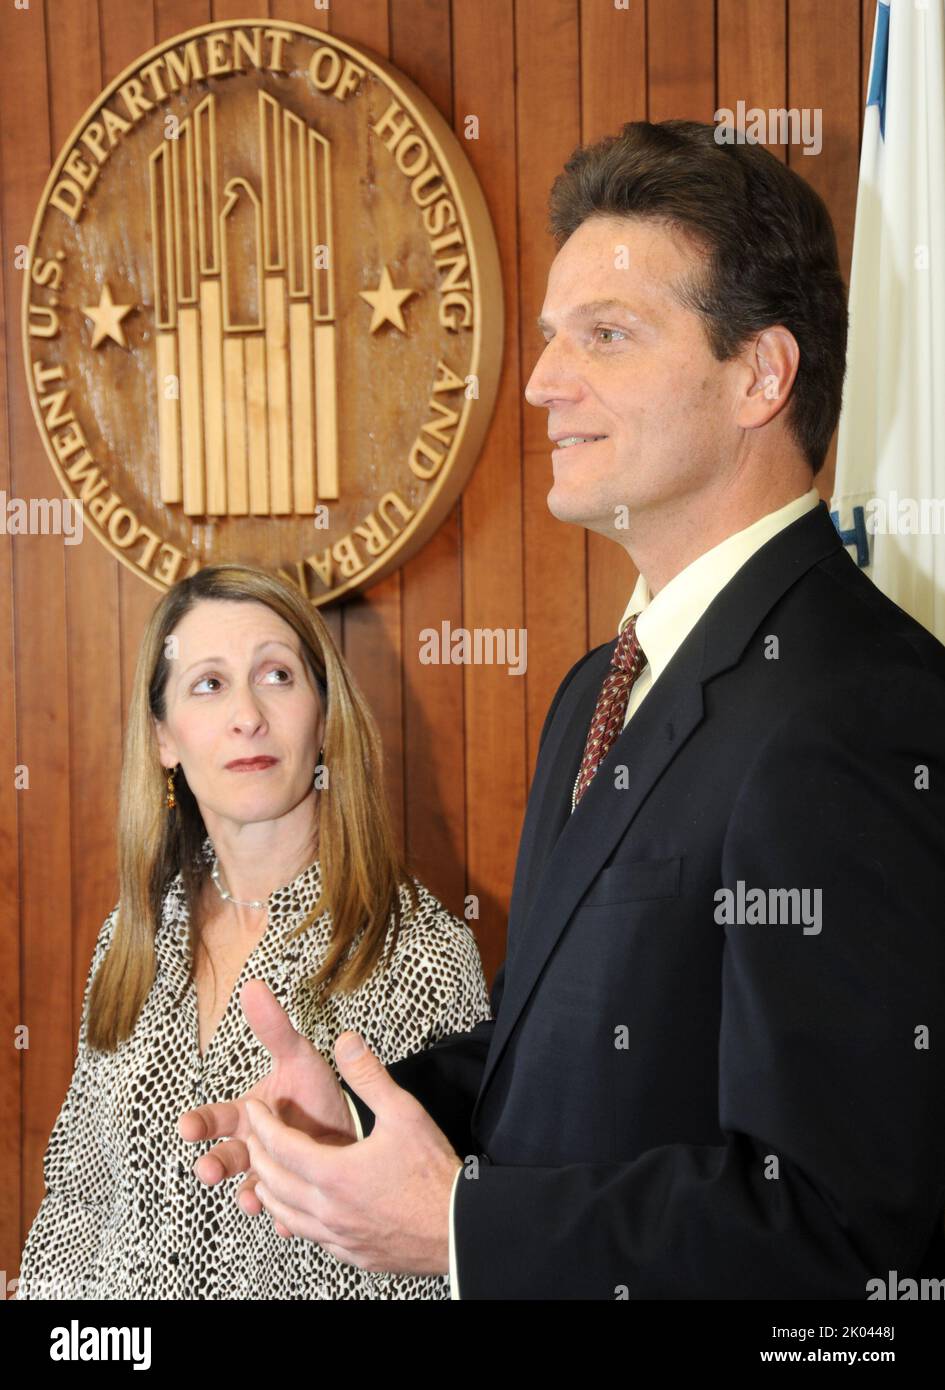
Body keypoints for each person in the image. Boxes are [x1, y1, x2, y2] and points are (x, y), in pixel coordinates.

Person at [182, 121, 945, 1299]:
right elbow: (566, 1057)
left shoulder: (862, 705)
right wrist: (367, 1111)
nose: (541, 381)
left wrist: (460, 1226)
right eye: (549, 339)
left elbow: (843, 1231)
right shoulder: (602, 689)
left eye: (607, 336)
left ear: (762, 375)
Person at [13, 563, 490, 1300]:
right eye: (208, 684)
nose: (247, 716)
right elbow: (79, 1197)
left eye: (275, 675)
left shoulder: (417, 950)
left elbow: (434, 1251)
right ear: (163, 738)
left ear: (325, 719)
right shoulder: (131, 939)